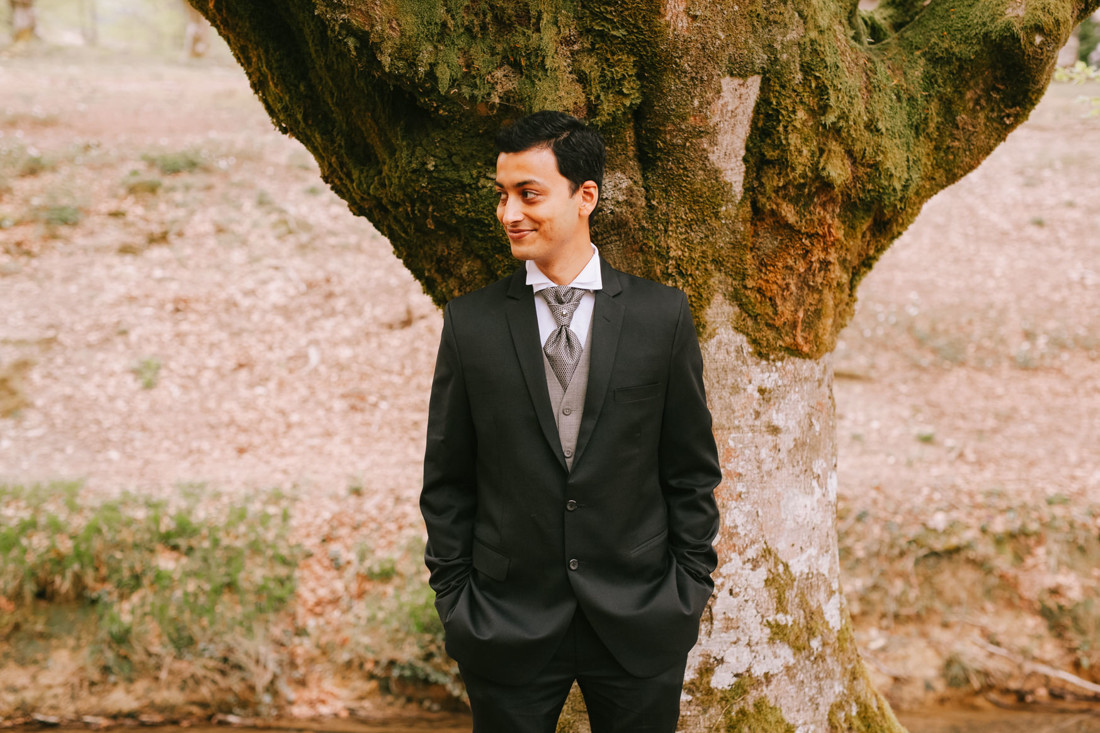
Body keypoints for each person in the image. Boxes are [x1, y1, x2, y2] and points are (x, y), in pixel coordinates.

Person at [420, 110, 721, 733]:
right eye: (502, 195)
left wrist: (687, 589)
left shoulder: (660, 316)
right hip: (505, 620)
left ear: (586, 196)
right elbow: (447, 481)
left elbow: (690, 470)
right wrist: (456, 601)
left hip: (641, 616)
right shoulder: (470, 324)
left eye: (528, 194)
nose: (509, 214)